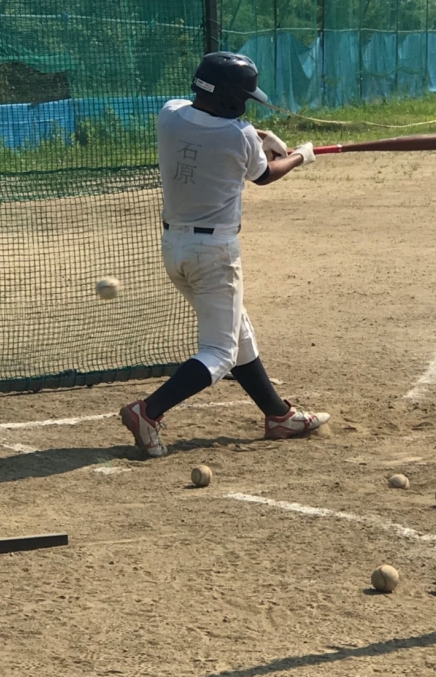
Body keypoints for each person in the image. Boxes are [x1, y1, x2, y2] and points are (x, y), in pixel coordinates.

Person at [119, 51, 329, 457]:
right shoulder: (240, 136)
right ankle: (148, 411)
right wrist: (299, 156)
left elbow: (212, 126)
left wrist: (262, 136)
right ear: (232, 97)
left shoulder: (169, 114)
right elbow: (265, 174)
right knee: (219, 351)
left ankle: (279, 415)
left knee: (238, 332)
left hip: (175, 249)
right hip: (214, 255)